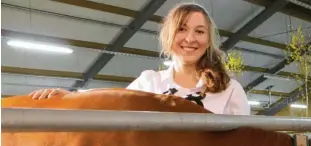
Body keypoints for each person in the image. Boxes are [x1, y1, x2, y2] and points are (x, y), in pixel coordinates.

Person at [28, 3, 251, 116]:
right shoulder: (150, 82)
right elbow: (114, 102)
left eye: (200, 32)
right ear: (168, 35)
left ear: (209, 39)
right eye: (182, 29)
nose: (190, 39)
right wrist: (73, 97)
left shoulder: (229, 90)